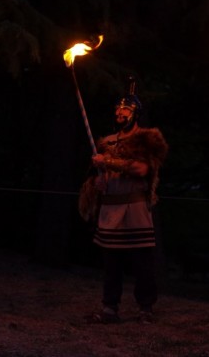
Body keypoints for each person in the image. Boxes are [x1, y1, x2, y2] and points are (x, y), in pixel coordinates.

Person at [79, 86, 168, 324]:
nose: (120, 114)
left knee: (142, 263)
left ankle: (145, 309)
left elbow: (141, 169)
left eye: (125, 110)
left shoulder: (146, 139)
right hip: (110, 209)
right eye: (118, 110)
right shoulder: (107, 142)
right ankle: (110, 308)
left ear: (135, 113)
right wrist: (99, 181)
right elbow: (101, 176)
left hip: (135, 209)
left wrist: (108, 161)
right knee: (111, 264)